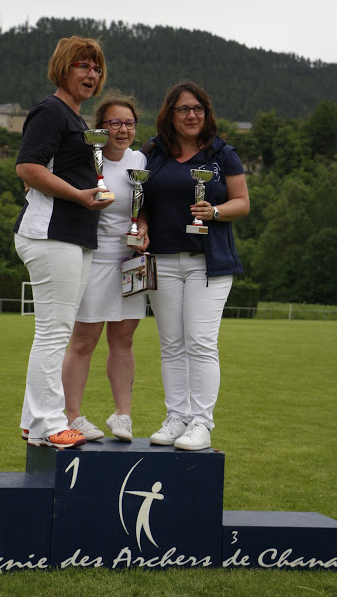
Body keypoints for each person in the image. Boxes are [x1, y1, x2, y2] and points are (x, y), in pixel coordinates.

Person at [14, 36, 114, 449]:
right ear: (62, 68)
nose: (90, 74)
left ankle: (33, 422)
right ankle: (50, 425)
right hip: (50, 233)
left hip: (72, 236)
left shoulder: (76, 119)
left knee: (54, 331)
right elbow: (28, 168)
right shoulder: (51, 111)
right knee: (54, 334)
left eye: (95, 68)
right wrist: (77, 195)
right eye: (82, 66)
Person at [139, 81, 250, 451]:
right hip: (163, 262)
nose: (191, 115)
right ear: (170, 114)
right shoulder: (154, 153)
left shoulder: (222, 154)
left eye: (198, 109)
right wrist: (140, 225)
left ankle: (201, 423)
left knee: (201, 343)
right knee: (171, 344)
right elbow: (141, 202)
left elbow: (242, 203)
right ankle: (177, 417)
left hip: (209, 263)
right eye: (183, 109)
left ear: (207, 113)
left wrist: (214, 211)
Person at [61, 91, 148, 442]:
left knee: (123, 341)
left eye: (128, 123)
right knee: (84, 341)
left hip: (130, 261)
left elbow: (144, 207)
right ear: (100, 128)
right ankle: (73, 417)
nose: (122, 129)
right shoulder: (83, 159)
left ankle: (122, 416)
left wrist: (143, 227)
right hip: (92, 256)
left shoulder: (141, 159)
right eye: (114, 122)